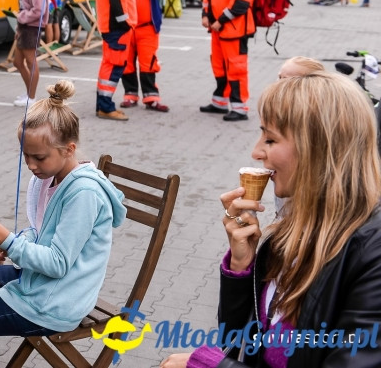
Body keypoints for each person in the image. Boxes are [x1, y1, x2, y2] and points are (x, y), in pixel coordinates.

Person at [161, 72, 381, 368]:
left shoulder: (372, 253)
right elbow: (237, 340)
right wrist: (242, 266)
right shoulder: (293, 230)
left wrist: (211, 365)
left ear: (317, 147)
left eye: (270, 139)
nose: (256, 152)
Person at [0, 81, 127, 368]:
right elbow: (45, 235)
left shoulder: (84, 193)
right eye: (26, 156)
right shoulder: (55, 179)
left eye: (39, 157)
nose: (32, 165)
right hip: (47, 286)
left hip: (56, 301)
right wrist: (17, 240)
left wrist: (5, 237)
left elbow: (58, 262)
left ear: (69, 149)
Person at [200, 0, 255, 122]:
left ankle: (240, 108)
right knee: (219, 67)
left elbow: (241, 4)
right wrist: (205, 15)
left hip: (234, 32)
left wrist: (220, 21)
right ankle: (219, 102)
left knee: (236, 70)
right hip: (219, 31)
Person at [121, 0, 172, 112]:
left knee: (148, 62)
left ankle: (151, 97)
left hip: (147, 26)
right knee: (126, 62)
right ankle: (130, 94)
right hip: (126, 27)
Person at [95, 0, 137, 121]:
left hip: (110, 26)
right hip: (116, 28)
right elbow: (117, 1)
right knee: (113, 68)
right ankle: (105, 108)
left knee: (109, 65)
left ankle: (103, 105)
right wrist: (125, 23)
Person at [13, 0, 49, 107]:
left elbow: (38, 10)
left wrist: (21, 17)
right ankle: (29, 93)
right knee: (17, 62)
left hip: (32, 27)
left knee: (30, 62)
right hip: (24, 26)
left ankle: (32, 97)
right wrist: (18, 26)